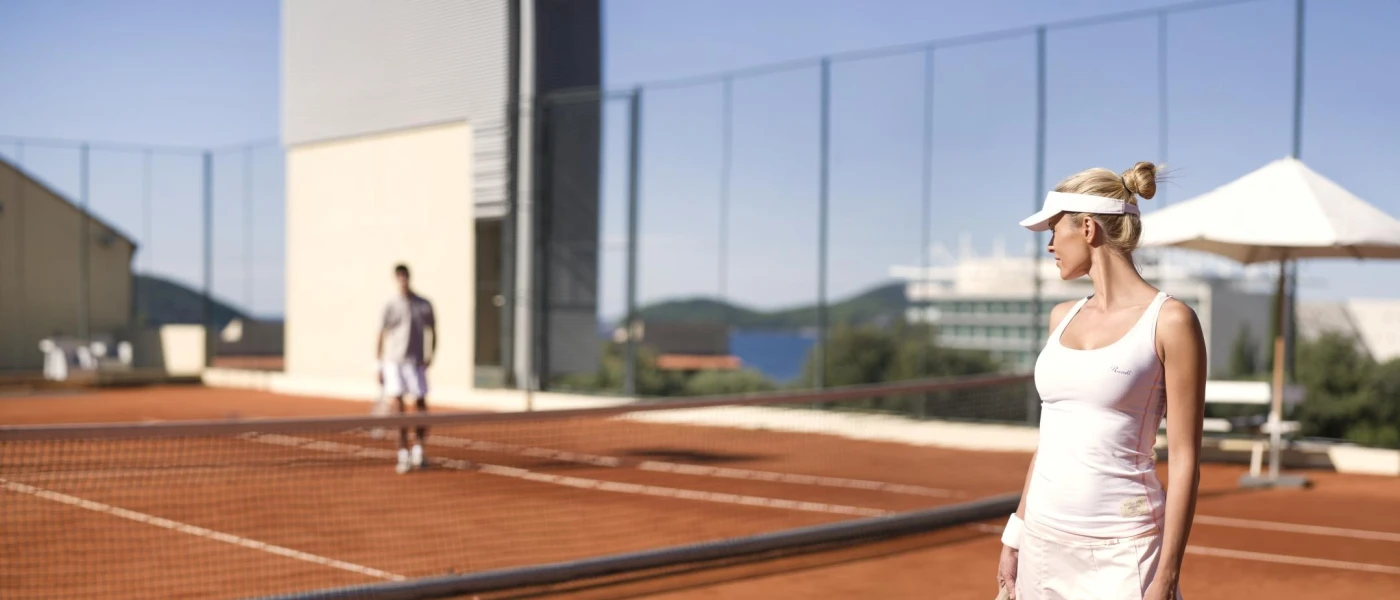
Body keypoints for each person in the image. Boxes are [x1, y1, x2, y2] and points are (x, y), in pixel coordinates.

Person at [996, 162, 1206, 599]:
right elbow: (1049, 440)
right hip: (1042, 541)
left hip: (1124, 552)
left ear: (1088, 227)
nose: (1050, 245)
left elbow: (1185, 459)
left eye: (1055, 231)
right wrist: (1015, 536)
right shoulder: (1061, 317)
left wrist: (1166, 577)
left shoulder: (1171, 321)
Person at [376, 263, 437, 474]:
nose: (402, 279)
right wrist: (380, 365)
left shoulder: (424, 304)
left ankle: (419, 451)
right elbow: (381, 334)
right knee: (398, 409)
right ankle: (403, 454)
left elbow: (433, 331)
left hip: (417, 363)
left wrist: (431, 355)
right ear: (396, 278)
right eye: (399, 276)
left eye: (405, 275)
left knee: (421, 408)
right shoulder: (390, 305)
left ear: (409, 277)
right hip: (394, 363)